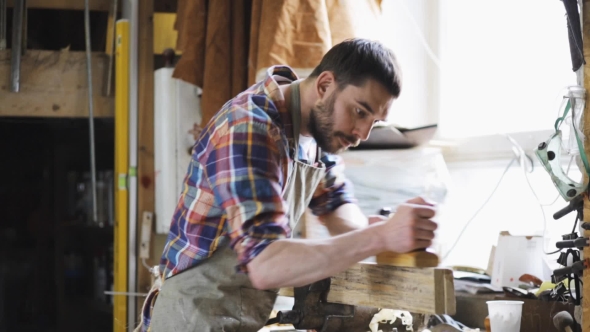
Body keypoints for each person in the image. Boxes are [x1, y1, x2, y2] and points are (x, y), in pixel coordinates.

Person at [137, 38, 438, 332]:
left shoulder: (318, 132)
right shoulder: (250, 127)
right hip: (192, 317)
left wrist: (391, 231)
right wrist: (380, 236)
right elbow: (266, 264)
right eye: (360, 112)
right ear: (324, 85)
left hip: (236, 314)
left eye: (375, 121)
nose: (363, 133)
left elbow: (338, 208)